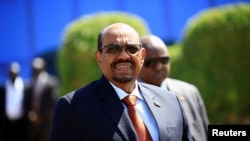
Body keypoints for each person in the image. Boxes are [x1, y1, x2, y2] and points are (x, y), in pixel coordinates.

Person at [49, 22, 193, 141]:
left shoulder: (171, 102)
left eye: (131, 48)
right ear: (99, 58)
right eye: (113, 49)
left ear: (142, 56)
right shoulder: (74, 108)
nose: (124, 56)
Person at [139, 34, 209, 141]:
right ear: (139, 61)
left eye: (164, 60)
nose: (158, 67)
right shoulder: (130, 99)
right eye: (151, 62)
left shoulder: (189, 92)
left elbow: (204, 131)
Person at [25, 57, 59, 141]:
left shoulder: (51, 83)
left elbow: (53, 101)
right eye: (33, 68)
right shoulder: (30, 83)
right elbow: (27, 101)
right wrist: (31, 114)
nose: (34, 70)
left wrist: (40, 116)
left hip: (46, 121)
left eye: (36, 68)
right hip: (33, 122)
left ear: (42, 68)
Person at [0, 62, 29, 141]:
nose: (13, 75)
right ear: (8, 73)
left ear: (19, 73)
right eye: (11, 73)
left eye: (15, 73)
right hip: (6, 123)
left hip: (21, 122)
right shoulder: (3, 87)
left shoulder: (25, 86)